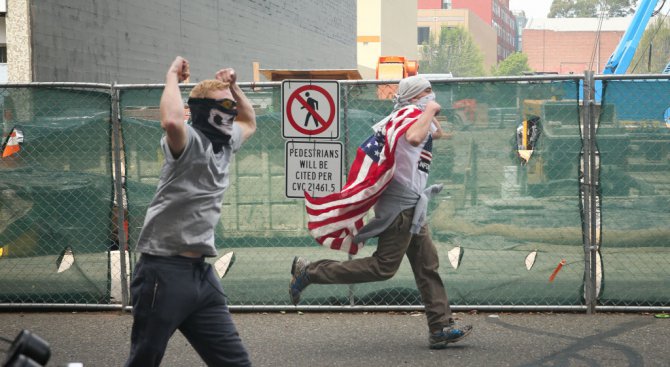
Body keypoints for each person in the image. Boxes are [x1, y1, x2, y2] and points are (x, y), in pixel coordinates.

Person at [290, 75, 472, 350]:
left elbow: (434, 134)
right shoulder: (409, 118)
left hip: (413, 207)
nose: (432, 97)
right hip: (400, 208)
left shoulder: (409, 116)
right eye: (427, 93)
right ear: (414, 98)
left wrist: (431, 114)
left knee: (427, 264)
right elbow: (413, 138)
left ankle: (440, 328)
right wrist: (431, 110)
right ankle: (311, 272)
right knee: (384, 267)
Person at [125, 56, 256, 367]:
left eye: (231, 106)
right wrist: (171, 75)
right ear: (203, 111)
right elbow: (171, 121)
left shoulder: (226, 144)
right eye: (223, 106)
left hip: (201, 276)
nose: (230, 111)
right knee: (144, 360)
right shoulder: (188, 142)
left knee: (235, 363)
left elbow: (249, 121)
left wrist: (234, 88)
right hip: (163, 272)